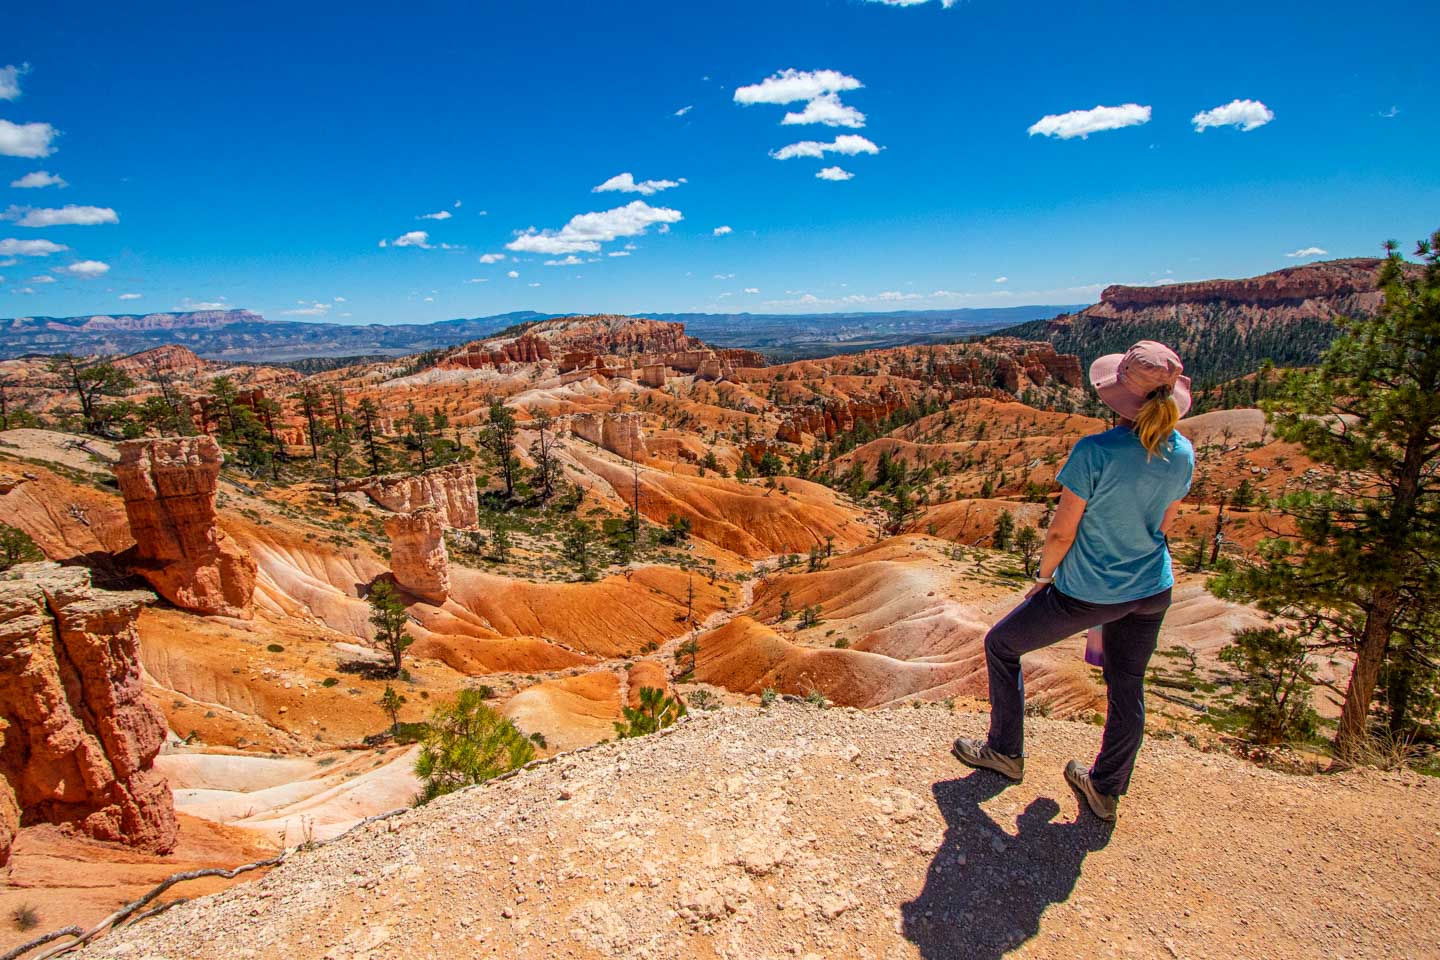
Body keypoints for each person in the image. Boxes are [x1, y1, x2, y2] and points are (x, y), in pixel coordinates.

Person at [953, 340, 1195, 823]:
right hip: (1151, 588)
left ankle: (1005, 751)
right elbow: (1164, 524)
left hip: (1089, 592)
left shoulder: (1095, 452)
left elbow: (1063, 529)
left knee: (1002, 645)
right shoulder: (1183, 451)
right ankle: (1105, 788)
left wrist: (1044, 579)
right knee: (1127, 685)